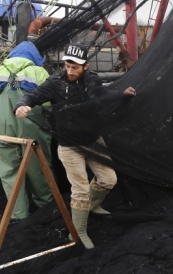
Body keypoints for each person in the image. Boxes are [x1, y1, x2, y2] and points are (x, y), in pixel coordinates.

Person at [14, 44, 136, 249]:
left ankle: (93, 206)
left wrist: (121, 94)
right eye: (67, 66)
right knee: (79, 190)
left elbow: (102, 96)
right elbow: (33, 96)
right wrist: (21, 104)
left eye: (75, 68)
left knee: (108, 180)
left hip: (93, 141)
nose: (70, 71)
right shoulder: (54, 83)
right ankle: (78, 232)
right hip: (68, 145)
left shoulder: (92, 80)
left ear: (85, 66)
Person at [0, 41, 54, 220]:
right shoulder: (39, 72)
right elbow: (48, 102)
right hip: (32, 125)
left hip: (2, 126)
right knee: (39, 167)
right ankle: (45, 209)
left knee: (8, 169)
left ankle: (19, 214)